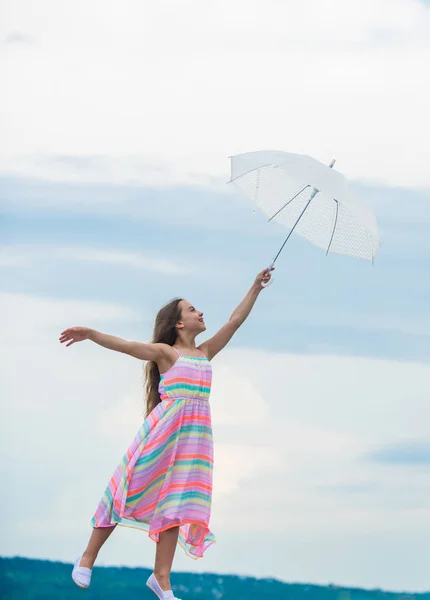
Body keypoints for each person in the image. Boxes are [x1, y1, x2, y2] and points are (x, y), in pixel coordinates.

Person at [59, 267, 273, 600]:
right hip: (162, 435)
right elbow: (128, 346)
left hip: (194, 441)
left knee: (178, 502)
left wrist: (255, 288)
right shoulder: (166, 353)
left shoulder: (205, 353)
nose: (200, 313)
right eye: (192, 309)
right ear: (178, 323)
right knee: (126, 487)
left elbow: (235, 321)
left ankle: (162, 578)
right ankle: (88, 556)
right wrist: (92, 334)